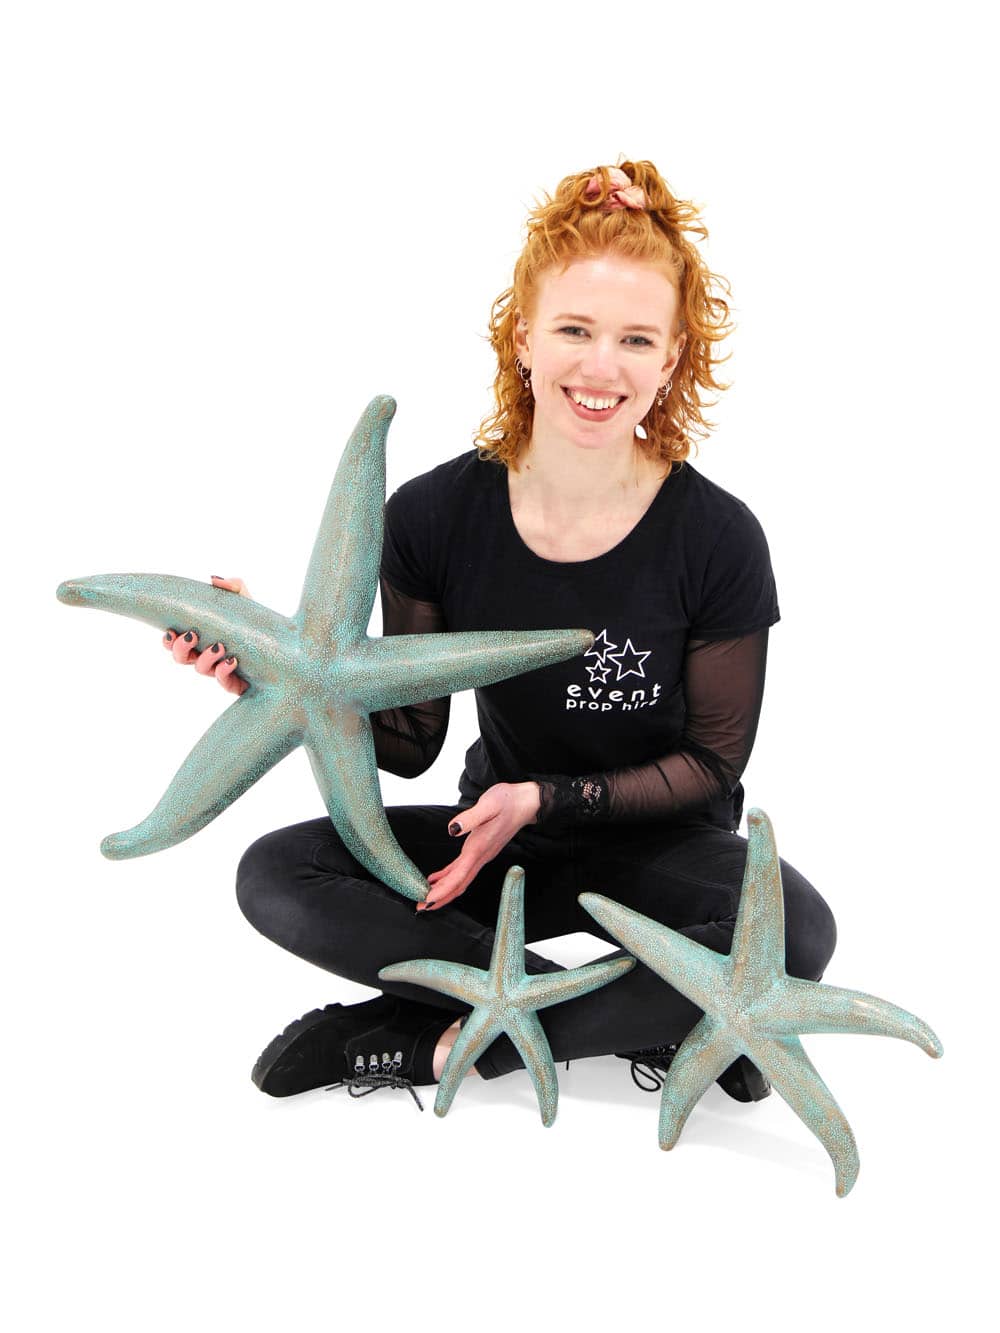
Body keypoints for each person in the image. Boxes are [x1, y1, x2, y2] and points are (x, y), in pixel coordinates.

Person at [164, 160, 837, 1107]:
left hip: (661, 849)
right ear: (524, 335)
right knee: (277, 872)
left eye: (636, 339)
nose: (601, 367)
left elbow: (712, 763)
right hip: (496, 839)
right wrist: (272, 678)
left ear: (672, 358)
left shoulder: (718, 537)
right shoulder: (434, 514)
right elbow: (409, 740)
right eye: (574, 329)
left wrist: (544, 796)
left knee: (796, 930)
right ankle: (675, 1011)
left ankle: (439, 1041)